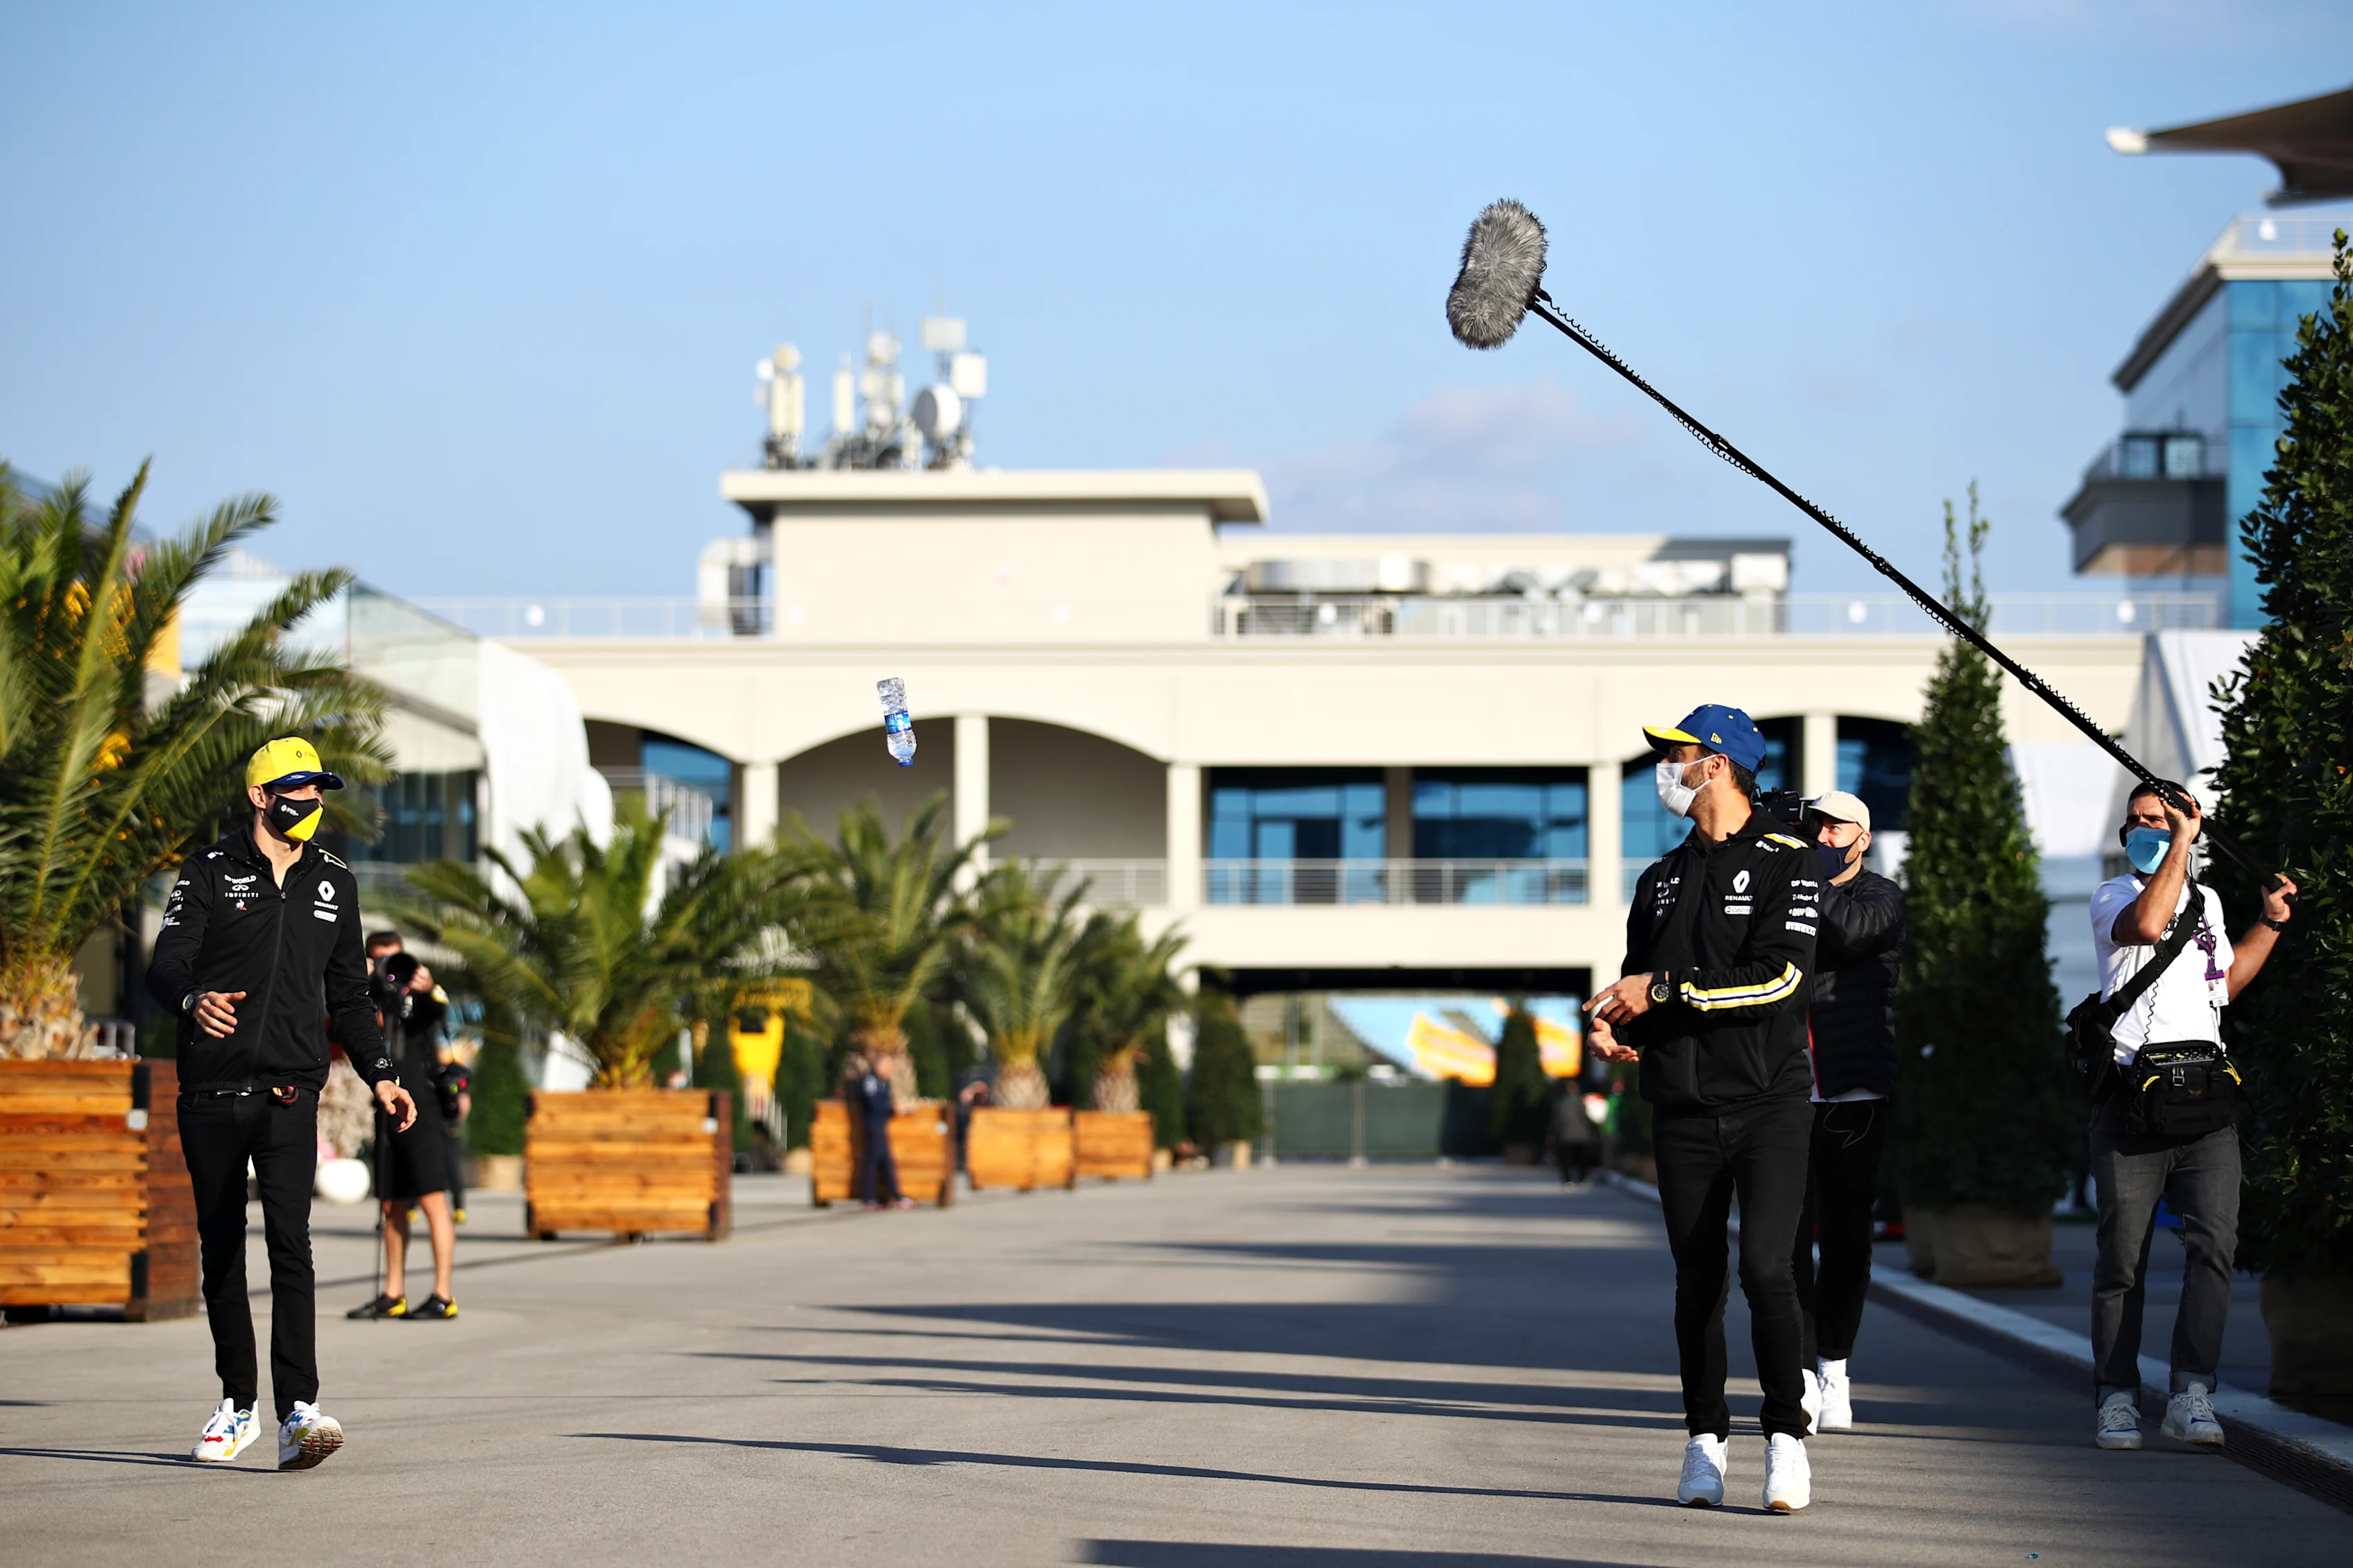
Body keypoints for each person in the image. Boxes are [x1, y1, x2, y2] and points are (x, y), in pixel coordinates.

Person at [146, 737, 416, 1470]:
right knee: (221, 1250)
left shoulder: (335, 882)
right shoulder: (209, 869)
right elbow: (165, 964)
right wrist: (193, 998)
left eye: (319, 790)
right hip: (210, 1091)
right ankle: (237, 1405)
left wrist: (382, 1073)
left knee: (292, 1244)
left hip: (289, 1091)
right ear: (260, 796)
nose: (313, 803)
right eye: (298, 790)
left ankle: (299, 1410)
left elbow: (350, 996)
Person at [1586, 705, 1822, 1513]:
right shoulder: (1658, 878)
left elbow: (1781, 980)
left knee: (1766, 1268)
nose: (1666, 769)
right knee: (1697, 1281)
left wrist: (1658, 990)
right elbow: (1637, 985)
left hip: (1768, 1103)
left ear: (1716, 763)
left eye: (1676, 754)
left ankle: (1785, 1437)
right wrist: (1616, 1029)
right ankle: (1702, 1441)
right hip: (1681, 1107)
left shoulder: (1787, 861)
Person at [2086, 781, 2295, 1451]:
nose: (2144, 830)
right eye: (2137, 821)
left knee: (2215, 1248)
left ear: (2189, 825)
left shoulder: (2207, 901)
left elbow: (2223, 986)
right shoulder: (2114, 895)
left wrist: (2270, 923)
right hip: (2131, 1103)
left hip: (2206, 1102)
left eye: (2161, 818)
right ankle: (2117, 1396)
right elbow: (2148, 927)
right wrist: (2181, 838)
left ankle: (2191, 1391)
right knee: (2123, 1261)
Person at [1790, 789, 1903, 1436]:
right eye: (1816, 828)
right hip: (1785, 1090)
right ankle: (1800, 1372)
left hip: (1854, 1090)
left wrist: (1805, 874)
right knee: (1783, 1238)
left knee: (1847, 1239)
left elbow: (1852, 933)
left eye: (1835, 829)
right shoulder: (1793, 886)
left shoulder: (1880, 896)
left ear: (1863, 838)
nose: (1822, 838)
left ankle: (1834, 1365)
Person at [347, 949, 460, 1320]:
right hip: (386, 1112)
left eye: (395, 963)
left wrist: (427, 989)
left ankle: (443, 1294)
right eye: (380, 961)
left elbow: (438, 1011)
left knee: (431, 1200)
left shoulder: (423, 999)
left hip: (423, 1112)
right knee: (391, 1204)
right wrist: (361, 979)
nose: (390, 971)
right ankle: (393, 1293)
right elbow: (341, 1026)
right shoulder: (369, 997)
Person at [844, 1048, 910, 1209]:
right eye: (888, 1066)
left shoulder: (883, 1082)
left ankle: (893, 1195)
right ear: (879, 1066)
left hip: (881, 1125)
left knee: (885, 1161)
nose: (889, 1070)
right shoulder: (870, 1080)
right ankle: (869, 1197)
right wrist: (893, 1109)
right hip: (873, 1125)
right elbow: (872, 1103)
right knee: (873, 1161)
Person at [1546, 1079, 1596, 1189]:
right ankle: (1582, 1179)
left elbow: (1556, 1120)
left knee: (1567, 1160)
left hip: (1566, 1135)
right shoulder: (1583, 1102)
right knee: (1581, 1159)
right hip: (1582, 1136)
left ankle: (1568, 1180)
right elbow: (1590, 1118)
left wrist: (1553, 1133)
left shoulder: (1562, 1103)